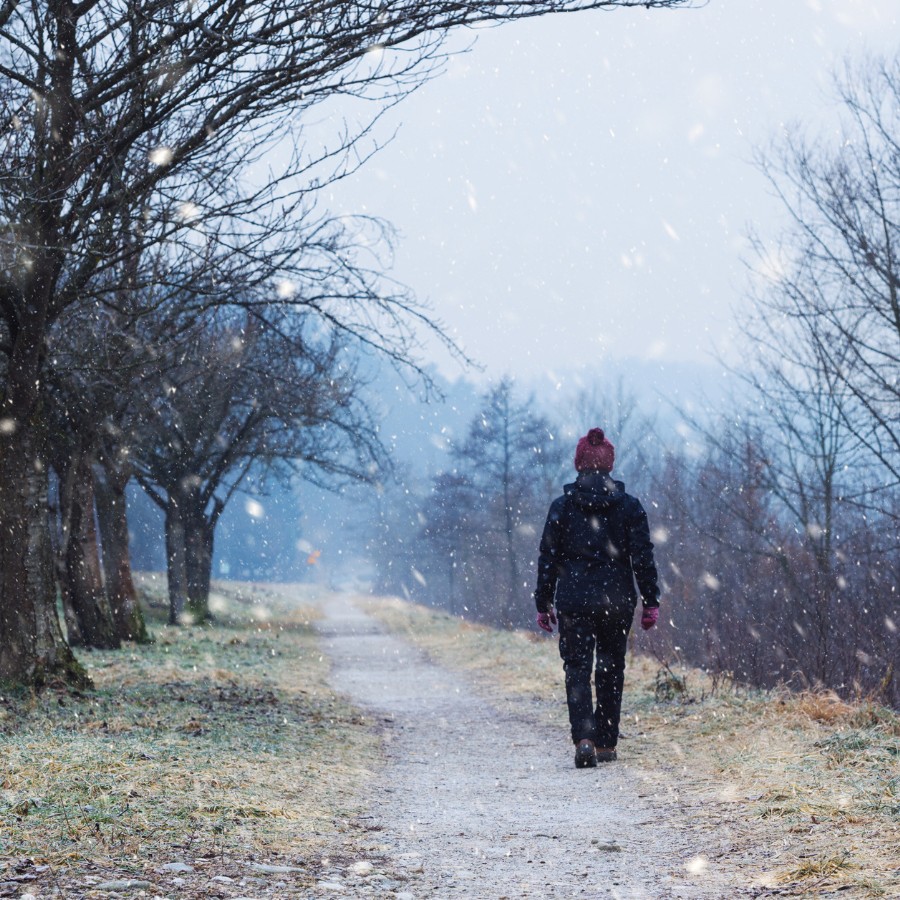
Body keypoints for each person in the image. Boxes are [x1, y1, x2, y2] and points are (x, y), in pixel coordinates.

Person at [533, 427, 660, 768]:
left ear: (579, 465)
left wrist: (543, 603)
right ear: (609, 466)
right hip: (616, 600)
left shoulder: (562, 507)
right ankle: (605, 742)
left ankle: (584, 737)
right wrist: (651, 600)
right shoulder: (630, 508)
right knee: (611, 668)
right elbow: (643, 557)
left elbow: (548, 557)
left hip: (573, 599)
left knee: (576, 668)